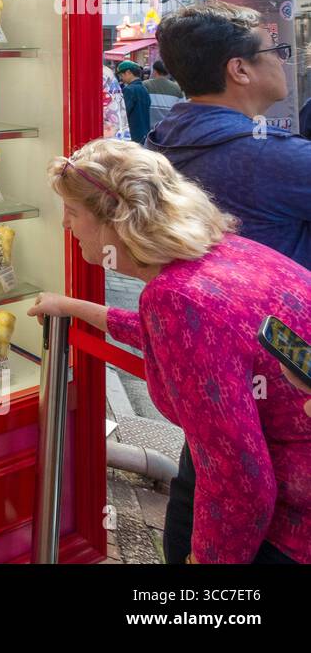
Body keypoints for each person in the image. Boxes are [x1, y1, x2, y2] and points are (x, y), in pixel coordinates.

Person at [29, 138, 311, 564]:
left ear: (114, 223)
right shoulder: (224, 250)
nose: (66, 225)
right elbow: (191, 343)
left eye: (73, 212)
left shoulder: (176, 299)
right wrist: (72, 308)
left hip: (285, 523)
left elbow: (240, 481)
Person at [149, 1, 311, 268]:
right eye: (276, 50)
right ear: (240, 69)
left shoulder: (161, 138)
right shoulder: (276, 156)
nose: (283, 60)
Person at [116, 60, 151, 144]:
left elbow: (123, 114)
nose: (121, 78)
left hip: (132, 135)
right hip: (144, 133)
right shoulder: (144, 89)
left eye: (121, 75)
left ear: (128, 72)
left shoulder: (129, 90)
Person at [143, 58, 183, 128]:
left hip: (148, 128)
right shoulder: (178, 89)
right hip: (168, 129)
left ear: (154, 71)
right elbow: (181, 111)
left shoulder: (145, 85)